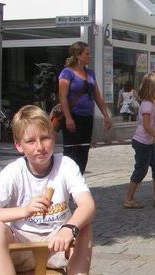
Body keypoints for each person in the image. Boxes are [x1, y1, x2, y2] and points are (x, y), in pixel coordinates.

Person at [0, 105, 100, 275]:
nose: (40, 147)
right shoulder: (13, 172)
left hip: (58, 246)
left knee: (84, 224)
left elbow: (87, 204)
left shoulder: (66, 165)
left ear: (53, 136)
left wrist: (68, 228)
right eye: (31, 142)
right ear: (18, 145)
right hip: (21, 248)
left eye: (45, 138)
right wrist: (23, 210)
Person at [58, 41, 112, 175]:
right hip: (73, 116)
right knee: (71, 152)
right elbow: (62, 96)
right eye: (87, 54)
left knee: (84, 150)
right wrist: (68, 118)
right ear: (78, 55)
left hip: (87, 117)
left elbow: (97, 97)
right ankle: (67, 182)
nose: (90, 56)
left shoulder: (90, 73)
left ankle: (78, 179)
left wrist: (106, 115)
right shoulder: (67, 73)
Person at [123, 73, 155, 209]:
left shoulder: (151, 104)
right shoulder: (146, 105)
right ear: (154, 89)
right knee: (140, 170)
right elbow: (146, 126)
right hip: (141, 142)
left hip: (148, 142)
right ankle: (129, 199)